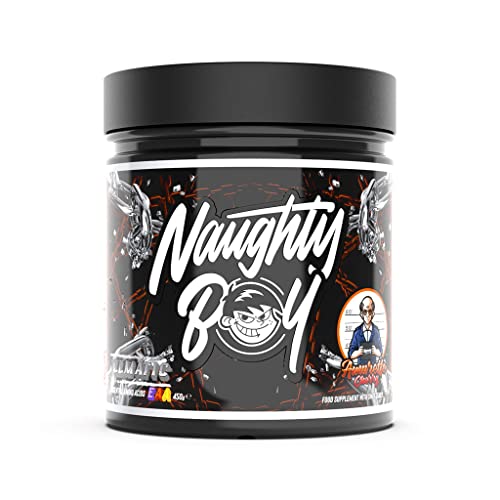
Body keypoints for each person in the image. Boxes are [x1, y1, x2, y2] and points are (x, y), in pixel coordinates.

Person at [348, 296, 383, 365]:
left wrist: (375, 352)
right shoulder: (357, 332)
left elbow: (381, 351)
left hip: (374, 369)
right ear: (361, 314)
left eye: (370, 311)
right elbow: (350, 354)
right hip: (361, 369)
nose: (367, 315)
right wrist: (358, 352)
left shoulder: (376, 331)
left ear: (373, 313)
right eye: (364, 312)